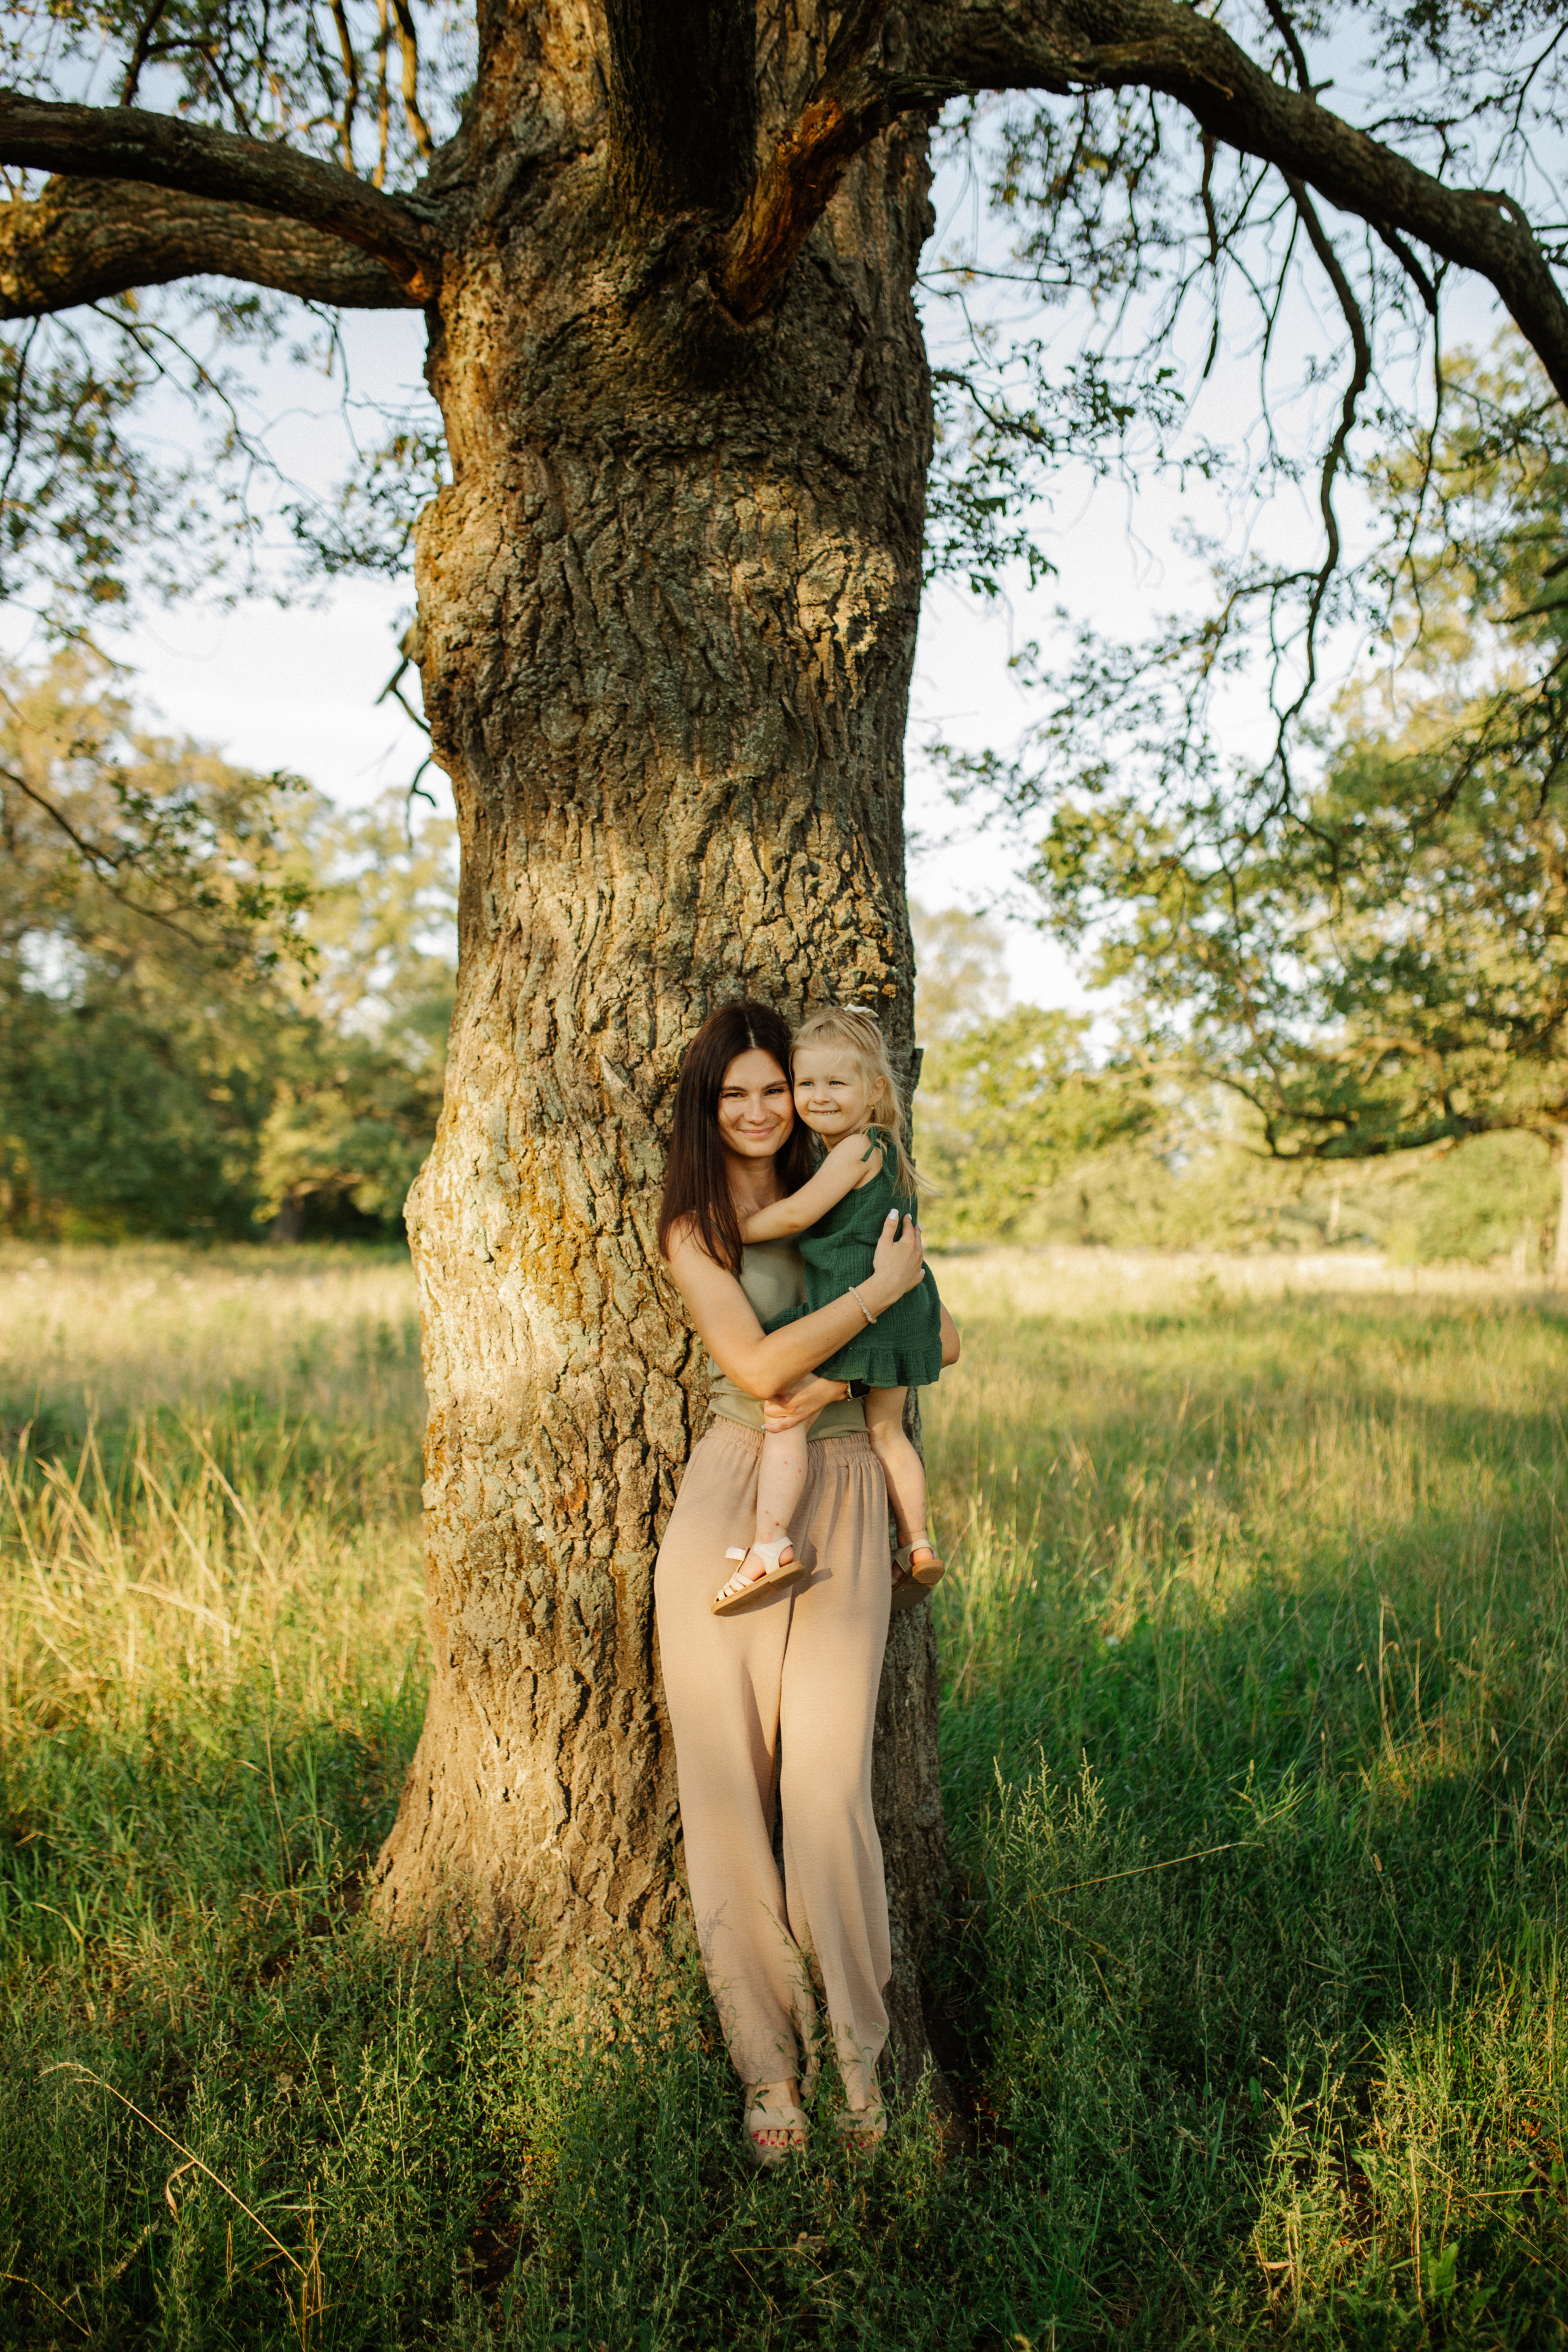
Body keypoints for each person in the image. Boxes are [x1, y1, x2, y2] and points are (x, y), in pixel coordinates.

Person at [654, 1000, 958, 2166]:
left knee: (828, 1793)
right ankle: (768, 2072)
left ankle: (860, 2062)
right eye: (732, 1095)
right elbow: (759, 1365)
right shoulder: (696, 1224)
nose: (756, 1109)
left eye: (772, 1088)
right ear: (707, 1105)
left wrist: (895, 1301)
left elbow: (947, 1336)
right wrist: (873, 1311)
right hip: (734, 1498)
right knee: (729, 1796)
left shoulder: (856, 1187)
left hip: (841, 1499)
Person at [712, 1004, 946, 1616]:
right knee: (889, 1432)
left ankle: (771, 1542)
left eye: (835, 1083)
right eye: (806, 1083)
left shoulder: (856, 1149)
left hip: (861, 1312)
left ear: (873, 1092)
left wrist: (731, 1230)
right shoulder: (883, 1150)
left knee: (785, 1413)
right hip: (902, 1314)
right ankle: (918, 1545)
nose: (817, 1097)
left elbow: (796, 1215)